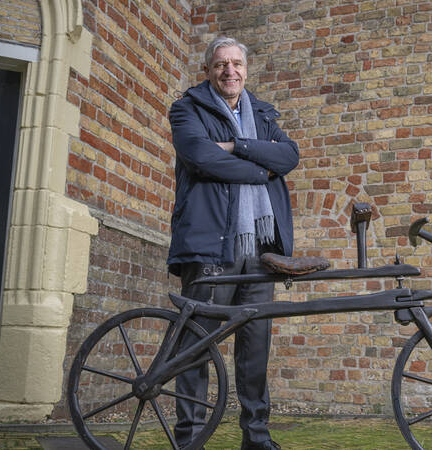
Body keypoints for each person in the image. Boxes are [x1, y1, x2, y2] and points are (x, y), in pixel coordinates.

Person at [168, 36, 299, 450]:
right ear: (208, 70)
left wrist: (236, 146)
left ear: (246, 69)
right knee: (197, 343)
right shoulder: (187, 109)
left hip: (260, 248)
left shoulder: (261, 112)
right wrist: (261, 168)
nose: (230, 71)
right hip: (210, 243)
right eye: (221, 64)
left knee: (255, 345)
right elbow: (201, 157)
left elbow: (289, 156)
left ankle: (256, 437)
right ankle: (190, 438)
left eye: (237, 64)